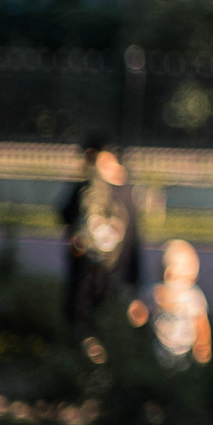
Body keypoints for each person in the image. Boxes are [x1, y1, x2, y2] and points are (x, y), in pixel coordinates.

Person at [59, 136, 138, 336]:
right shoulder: (85, 187)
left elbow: (134, 238)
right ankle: (81, 341)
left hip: (114, 267)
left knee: (109, 311)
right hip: (86, 266)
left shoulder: (124, 192)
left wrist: (134, 279)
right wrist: (75, 238)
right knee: (82, 308)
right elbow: (65, 214)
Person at [147, 238, 212, 368]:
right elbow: (145, 307)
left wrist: (203, 343)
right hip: (159, 348)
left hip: (184, 350)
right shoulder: (157, 292)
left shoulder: (193, 297)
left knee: (181, 374)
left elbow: (200, 320)